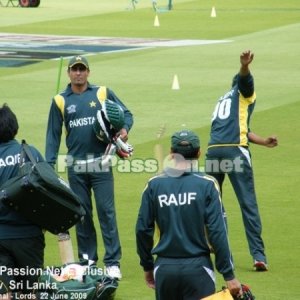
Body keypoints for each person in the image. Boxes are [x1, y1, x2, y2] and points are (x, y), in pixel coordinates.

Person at [45, 55, 133, 280]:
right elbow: (53, 136)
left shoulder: (102, 93)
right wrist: (49, 166)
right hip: (76, 168)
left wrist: (123, 131)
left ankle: (112, 262)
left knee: (107, 213)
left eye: (82, 69)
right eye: (74, 69)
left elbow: (127, 115)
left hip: (101, 163)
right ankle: (88, 260)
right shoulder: (60, 100)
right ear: (69, 73)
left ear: (88, 72)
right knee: (82, 216)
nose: (78, 73)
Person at [136, 129, 243, 300]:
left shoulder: (154, 185)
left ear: (171, 154)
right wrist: (228, 274)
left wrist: (147, 266)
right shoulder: (208, 185)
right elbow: (218, 231)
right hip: (198, 269)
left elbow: (142, 229)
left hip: (164, 269)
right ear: (199, 153)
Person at [205, 50, 278, 272]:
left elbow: (244, 129)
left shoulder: (224, 98)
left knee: (212, 202)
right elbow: (245, 79)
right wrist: (244, 65)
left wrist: (264, 141)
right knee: (248, 203)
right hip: (235, 153)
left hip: (213, 151)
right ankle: (258, 255)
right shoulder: (243, 92)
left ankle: (213, 246)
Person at [0, 103, 45, 299]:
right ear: (15, 127)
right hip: (29, 236)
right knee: (29, 293)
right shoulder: (30, 152)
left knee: (3, 292)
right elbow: (48, 190)